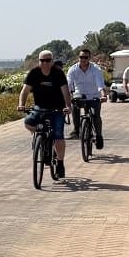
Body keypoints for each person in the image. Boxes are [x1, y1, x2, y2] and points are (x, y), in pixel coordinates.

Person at [17, 50, 73, 179]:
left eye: (48, 60)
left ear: (52, 61)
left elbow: (65, 92)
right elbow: (25, 91)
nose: (45, 63)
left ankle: (60, 163)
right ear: (39, 61)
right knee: (28, 122)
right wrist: (21, 105)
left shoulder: (58, 73)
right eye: (42, 61)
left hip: (57, 109)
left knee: (58, 135)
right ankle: (41, 138)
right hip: (39, 108)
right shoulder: (34, 73)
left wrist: (68, 107)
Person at [65, 47, 107, 149]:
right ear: (78, 58)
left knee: (96, 115)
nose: (83, 59)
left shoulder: (96, 69)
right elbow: (68, 86)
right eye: (81, 57)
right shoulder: (73, 69)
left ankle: (98, 135)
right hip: (79, 95)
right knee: (75, 105)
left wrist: (103, 95)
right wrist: (66, 98)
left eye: (85, 57)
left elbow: (100, 84)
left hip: (94, 96)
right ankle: (76, 130)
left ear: (89, 58)